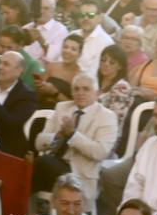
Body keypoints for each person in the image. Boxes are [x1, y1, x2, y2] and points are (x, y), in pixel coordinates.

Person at [33, 76, 118, 206]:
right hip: (52, 167)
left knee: (37, 166)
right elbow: (38, 143)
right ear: (71, 92)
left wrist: (73, 135)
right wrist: (57, 136)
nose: (80, 93)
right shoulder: (62, 107)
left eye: (86, 89)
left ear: (97, 93)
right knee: (29, 170)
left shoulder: (107, 116)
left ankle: (17, 211)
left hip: (79, 175)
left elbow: (99, 152)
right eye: (76, 89)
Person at [0, 51, 39, 157]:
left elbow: (11, 125)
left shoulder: (27, 96)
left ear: (18, 71)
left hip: (4, 148)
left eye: (6, 64)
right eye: (0, 63)